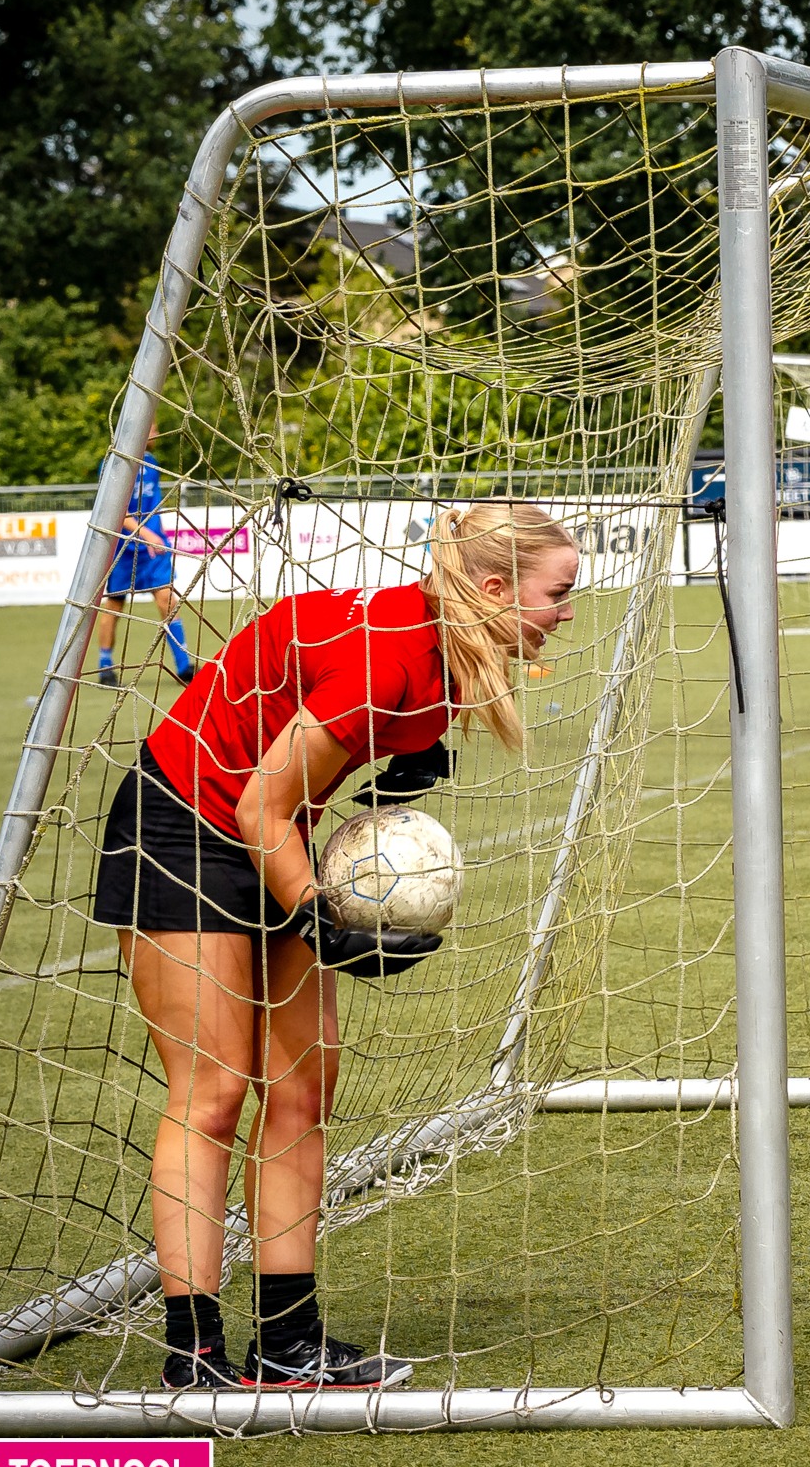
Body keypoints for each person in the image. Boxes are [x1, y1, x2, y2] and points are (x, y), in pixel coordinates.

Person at [93, 504, 580, 1389]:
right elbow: (259, 804)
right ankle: (193, 1353)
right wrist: (317, 916)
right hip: (182, 820)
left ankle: (288, 1342)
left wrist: (413, 750)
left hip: (271, 833)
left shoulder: (450, 653)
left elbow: (306, 762)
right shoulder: (388, 656)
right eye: (559, 592)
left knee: (301, 1087)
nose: (567, 612)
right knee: (213, 1091)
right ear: (494, 587)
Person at [96, 420, 195, 686]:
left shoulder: (151, 463)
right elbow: (114, 510)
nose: (157, 434)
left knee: (168, 599)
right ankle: (105, 665)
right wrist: (144, 533)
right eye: (153, 430)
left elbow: (153, 505)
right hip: (122, 548)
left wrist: (156, 535)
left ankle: (184, 666)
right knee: (115, 604)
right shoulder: (114, 464)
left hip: (152, 548)